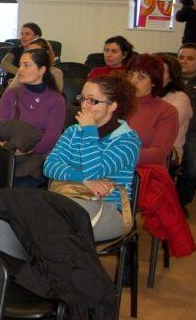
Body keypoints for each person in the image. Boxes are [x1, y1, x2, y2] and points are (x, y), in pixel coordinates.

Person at [44, 75, 140, 241]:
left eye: (93, 101)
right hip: (68, 200)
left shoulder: (127, 141)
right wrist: (83, 179)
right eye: (83, 98)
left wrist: (89, 131)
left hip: (109, 209)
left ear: (112, 106)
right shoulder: (74, 131)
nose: (84, 105)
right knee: (17, 214)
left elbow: (95, 172)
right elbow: (50, 166)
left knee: (49, 223)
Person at [0, 49, 66, 187]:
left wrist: (24, 149)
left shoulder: (56, 100)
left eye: (26, 65)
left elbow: (51, 138)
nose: (20, 70)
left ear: (42, 69)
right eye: (20, 65)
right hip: (7, 155)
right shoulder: (11, 95)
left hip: (37, 158)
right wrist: (0, 148)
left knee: (18, 188)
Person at [125, 54, 179, 167]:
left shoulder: (167, 111)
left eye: (141, 77)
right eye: (130, 75)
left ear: (154, 81)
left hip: (144, 173)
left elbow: (158, 154)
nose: (133, 81)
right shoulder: (116, 104)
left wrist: (120, 156)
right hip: (110, 167)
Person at [156, 53, 193, 159]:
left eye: (162, 72)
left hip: (168, 153)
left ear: (171, 77)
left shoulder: (180, 98)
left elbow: (163, 131)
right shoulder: (141, 95)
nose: (156, 75)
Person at [177, 43, 196, 208]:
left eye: (190, 58)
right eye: (181, 57)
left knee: (192, 169)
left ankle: (181, 202)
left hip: (193, 132)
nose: (184, 61)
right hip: (169, 130)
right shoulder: (168, 80)